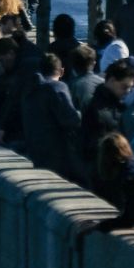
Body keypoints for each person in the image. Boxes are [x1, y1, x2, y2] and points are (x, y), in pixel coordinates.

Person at [20, 54, 87, 184]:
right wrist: (81, 114)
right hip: (57, 154)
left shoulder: (30, 89)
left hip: (36, 151)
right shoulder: (57, 88)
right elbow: (70, 119)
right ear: (62, 71)